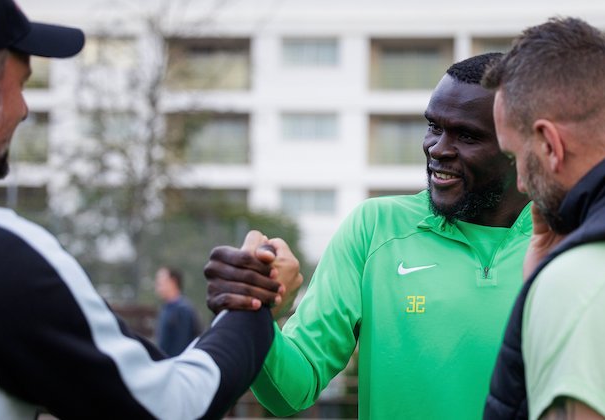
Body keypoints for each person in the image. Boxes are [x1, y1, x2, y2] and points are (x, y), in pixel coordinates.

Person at [0, 1, 286, 418]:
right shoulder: (2, 262)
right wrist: (253, 304)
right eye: (22, 83)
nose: (24, 109)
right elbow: (175, 407)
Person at [205, 53, 532, 418]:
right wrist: (254, 312)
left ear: (521, 146)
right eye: (434, 127)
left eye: (467, 135)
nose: (437, 148)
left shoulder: (566, 242)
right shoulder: (373, 227)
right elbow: (290, 392)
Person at [482, 17, 605, 419]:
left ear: (551, 144)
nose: (519, 182)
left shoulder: (590, 276)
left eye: (515, 156)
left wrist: (560, 280)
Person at [154, 266, 202, 356]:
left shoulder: (183, 310)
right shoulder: (166, 308)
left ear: (173, 281)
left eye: (161, 282)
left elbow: (181, 346)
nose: (158, 285)